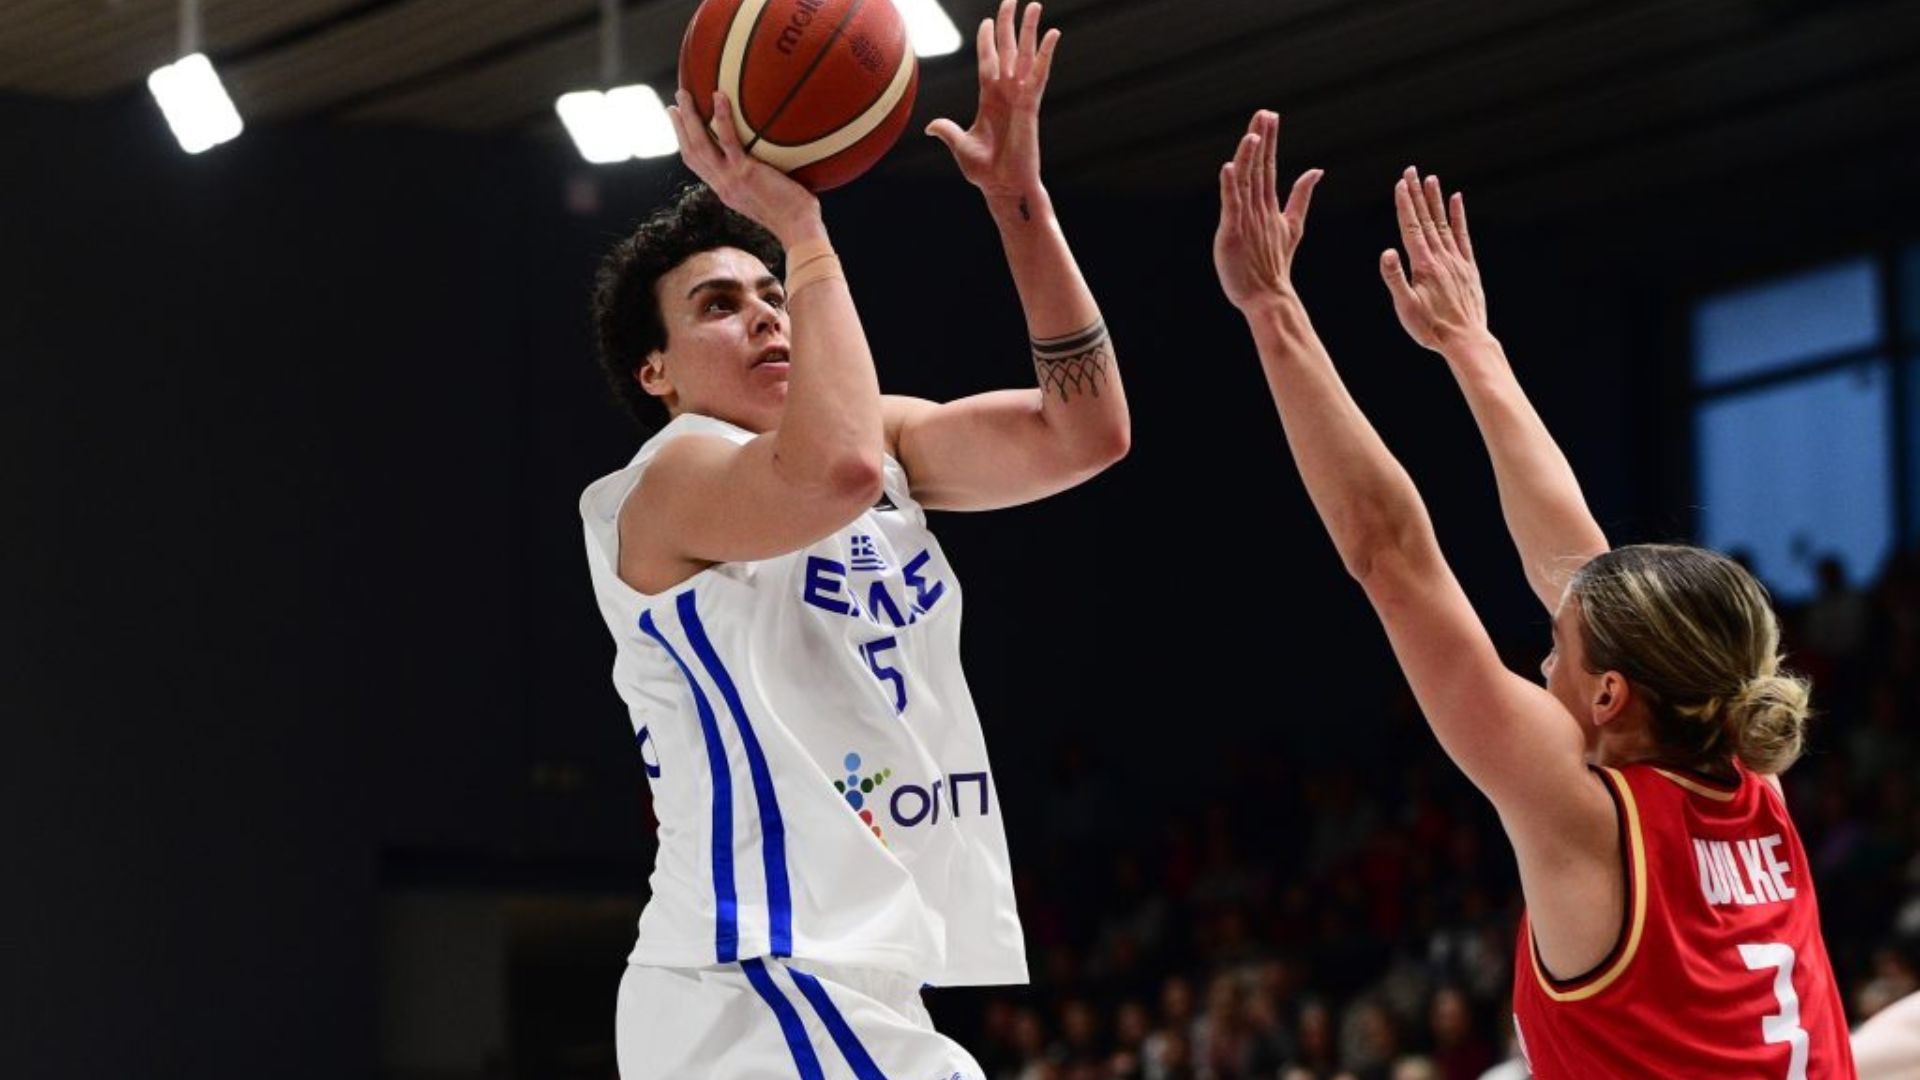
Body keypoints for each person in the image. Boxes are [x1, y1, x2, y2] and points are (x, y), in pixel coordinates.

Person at [1210, 110, 1855, 1077]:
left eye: (1558, 649)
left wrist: (1272, 309)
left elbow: (1392, 555)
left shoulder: (1585, 813)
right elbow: (1581, 567)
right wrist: (1470, 346)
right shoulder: (1746, 779)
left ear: (1610, 696)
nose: (1544, 660)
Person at [579, 3, 1130, 1077]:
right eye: (719, 305)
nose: (766, 315)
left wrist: (1018, 203)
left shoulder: (877, 444)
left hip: (836, 970)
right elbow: (833, 474)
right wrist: (802, 233)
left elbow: (1087, 433)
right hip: (754, 971)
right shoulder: (666, 483)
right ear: (656, 372)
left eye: (773, 295)